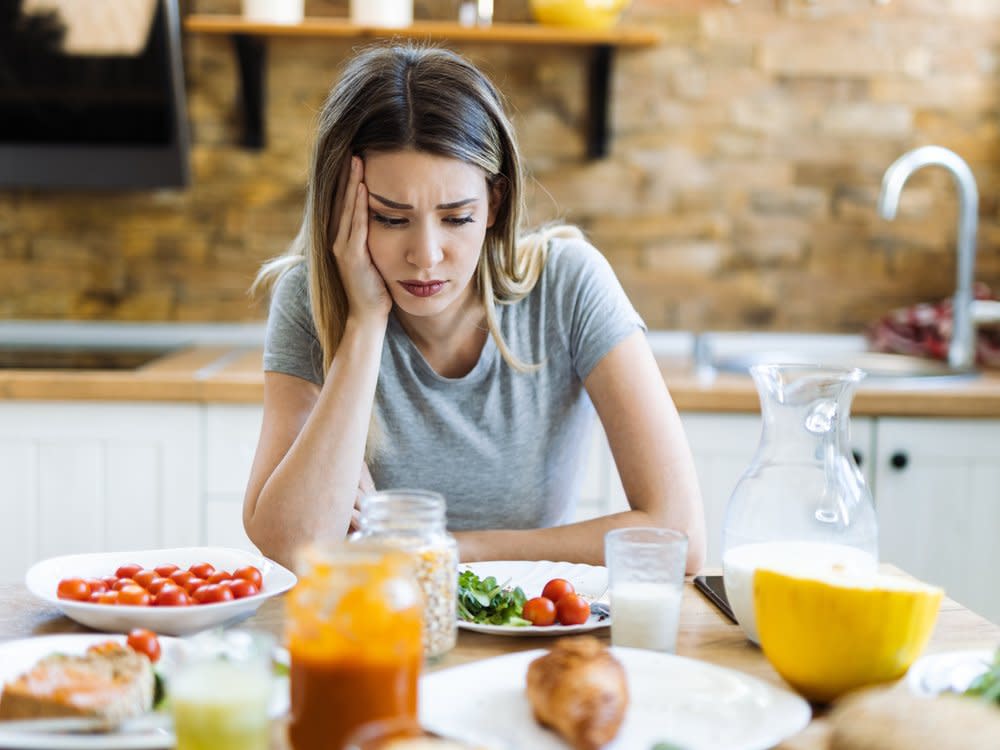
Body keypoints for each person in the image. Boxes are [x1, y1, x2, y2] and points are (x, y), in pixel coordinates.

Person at [243, 44, 706, 573]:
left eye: (456, 217)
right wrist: (364, 326)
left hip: (527, 628)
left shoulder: (568, 284)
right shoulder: (310, 299)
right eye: (390, 218)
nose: (425, 256)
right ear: (341, 208)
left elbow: (680, 536)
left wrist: (440, 548)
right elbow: (291, 545)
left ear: (495, 203)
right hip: (374, 630)